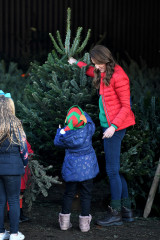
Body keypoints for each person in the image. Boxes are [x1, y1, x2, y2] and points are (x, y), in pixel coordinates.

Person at [68, 45, 136, 226]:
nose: (96, 67)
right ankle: (127, 210)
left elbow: (126, 107)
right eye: (94, 64)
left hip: (115, 128)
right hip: (110, 127)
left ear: (106, 59)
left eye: (98, 63)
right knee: (115, 170)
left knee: (112, 172)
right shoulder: (104, 72)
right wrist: (77, 64)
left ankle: (115, 214)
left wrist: (113, 127)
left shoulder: (119, 76)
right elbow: (91, 71)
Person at [54, 105, 99, 232]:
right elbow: (90, 120)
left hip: (71, 168)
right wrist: (83, 113)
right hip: (87, 168)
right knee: (86, 194)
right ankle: (84, 225)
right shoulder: (89, 128)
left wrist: (59, 131)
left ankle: (64, 224)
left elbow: (57, 142)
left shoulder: (65, 134)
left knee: (69, 194)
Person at [0, 91, 28, 240]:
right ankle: (14, 234)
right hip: (13, 168)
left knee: (0, 201)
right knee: (13, 200)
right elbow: (23, 149)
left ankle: (0, 233)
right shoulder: (16, 124)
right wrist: (24, 164)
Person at [7, 140, 33, 223]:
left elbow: (29, 151)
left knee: (20, 193)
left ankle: (19, 213)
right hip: (13, 169)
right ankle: (12, 215)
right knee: (12, 194)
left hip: (22, 169)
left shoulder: (21, 138)